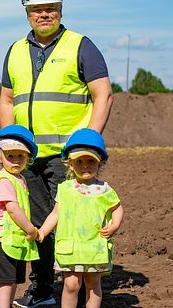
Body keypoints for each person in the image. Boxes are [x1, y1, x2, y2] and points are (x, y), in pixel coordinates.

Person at [0, 0, 114, 307]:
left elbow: (103, 95)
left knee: (74, 220)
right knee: (39, 225)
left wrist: (88, 144)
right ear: (27, 12)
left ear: (61, 9)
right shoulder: (15, 51)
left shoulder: (81, 45)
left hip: (66, 158)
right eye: (37, 9)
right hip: (29, 157)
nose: (44, 14)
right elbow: (6, 100)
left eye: (50, 8)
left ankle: (76, 286)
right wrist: (10, 142)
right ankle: (44, 290)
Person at [37, 128, 123, 308]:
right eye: (80, 161)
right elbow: (56, 213)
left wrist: (114, 225)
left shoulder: (105, 190)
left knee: (93, 284)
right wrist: (43, 230)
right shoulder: (65, 188)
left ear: (100, 163)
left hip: (94, 247)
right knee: (71, 284)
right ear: (70, 164)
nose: (85, 165)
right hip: (71, 248)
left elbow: (117, 208)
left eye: (91, 161)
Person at [0, 125, 40, 308]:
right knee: (5, 281)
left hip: (15, 240)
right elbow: (13, 209)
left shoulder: (20, 179)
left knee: (13, 280)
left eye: (21, 156)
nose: (16, 160)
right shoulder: (4, 180)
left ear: (28, 157)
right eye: (10, 156)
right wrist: (30, 229)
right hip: (3, 241)